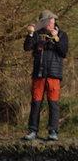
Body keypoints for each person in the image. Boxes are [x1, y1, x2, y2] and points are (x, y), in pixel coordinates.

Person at [23, 10, 68, 141]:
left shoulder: (62, 34)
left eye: (52, 20)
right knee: (36, 103)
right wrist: (30, 34)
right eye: (48, 21)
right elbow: (27, 47)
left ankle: (53, 131)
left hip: (54, 74)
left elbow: (64, 52)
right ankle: (32, 131)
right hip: (39, 73)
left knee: (53, 104)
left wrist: (56, 39)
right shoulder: (37, 35)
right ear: (43, 23)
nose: (50, 23)